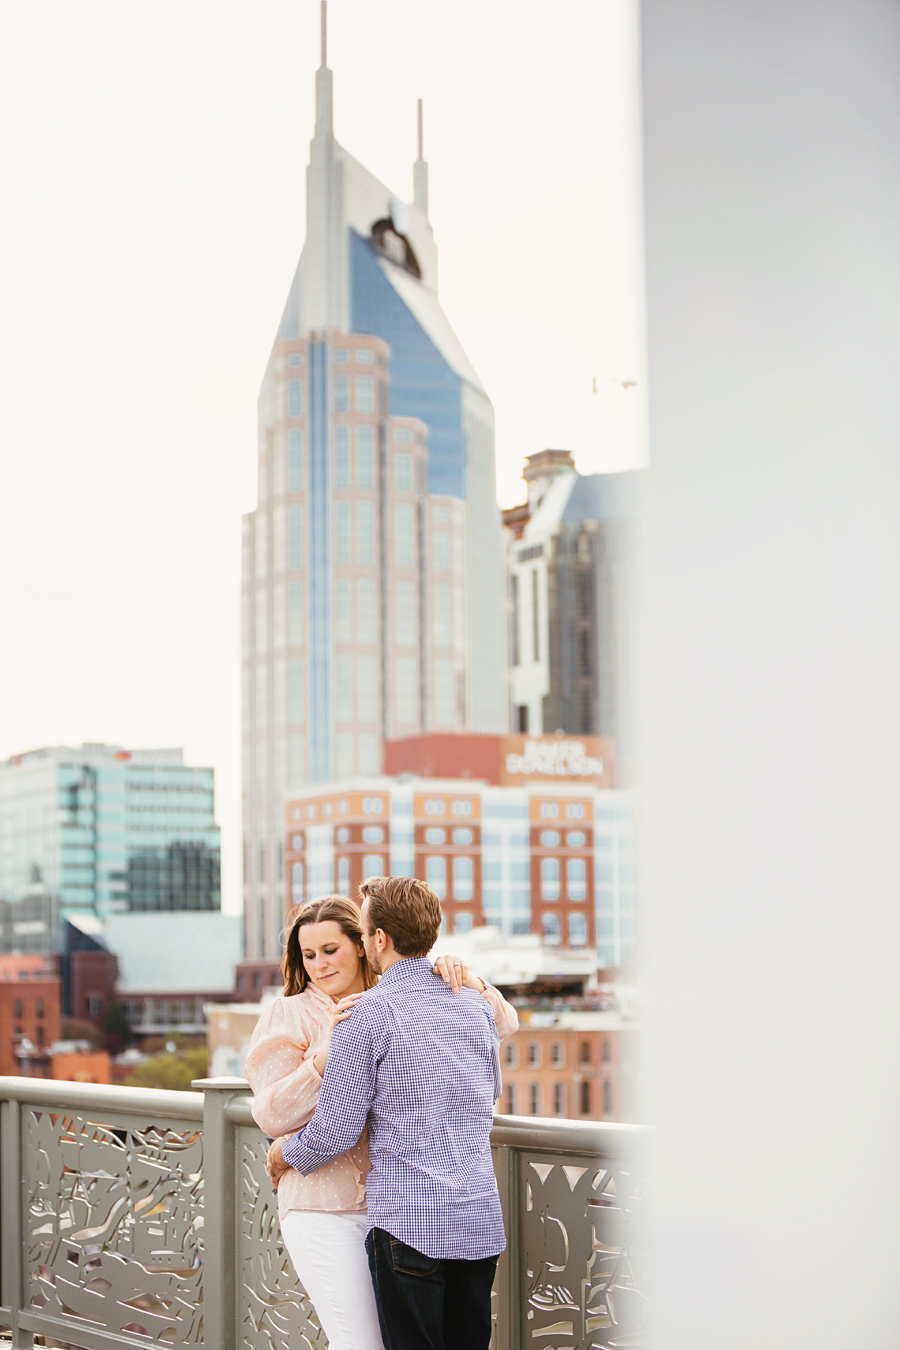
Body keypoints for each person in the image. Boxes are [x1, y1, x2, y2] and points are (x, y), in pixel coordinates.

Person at [247, 891, 517, 1350]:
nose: (318, 965)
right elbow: (271, 1113)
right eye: (307, 955)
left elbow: (503, 1021)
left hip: (397, 1211)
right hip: (326, 1206)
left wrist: (468, 978)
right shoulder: (289, 1013)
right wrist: (324, 1058)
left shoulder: (404, 1001)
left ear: (367, 942)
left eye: (329, 950)